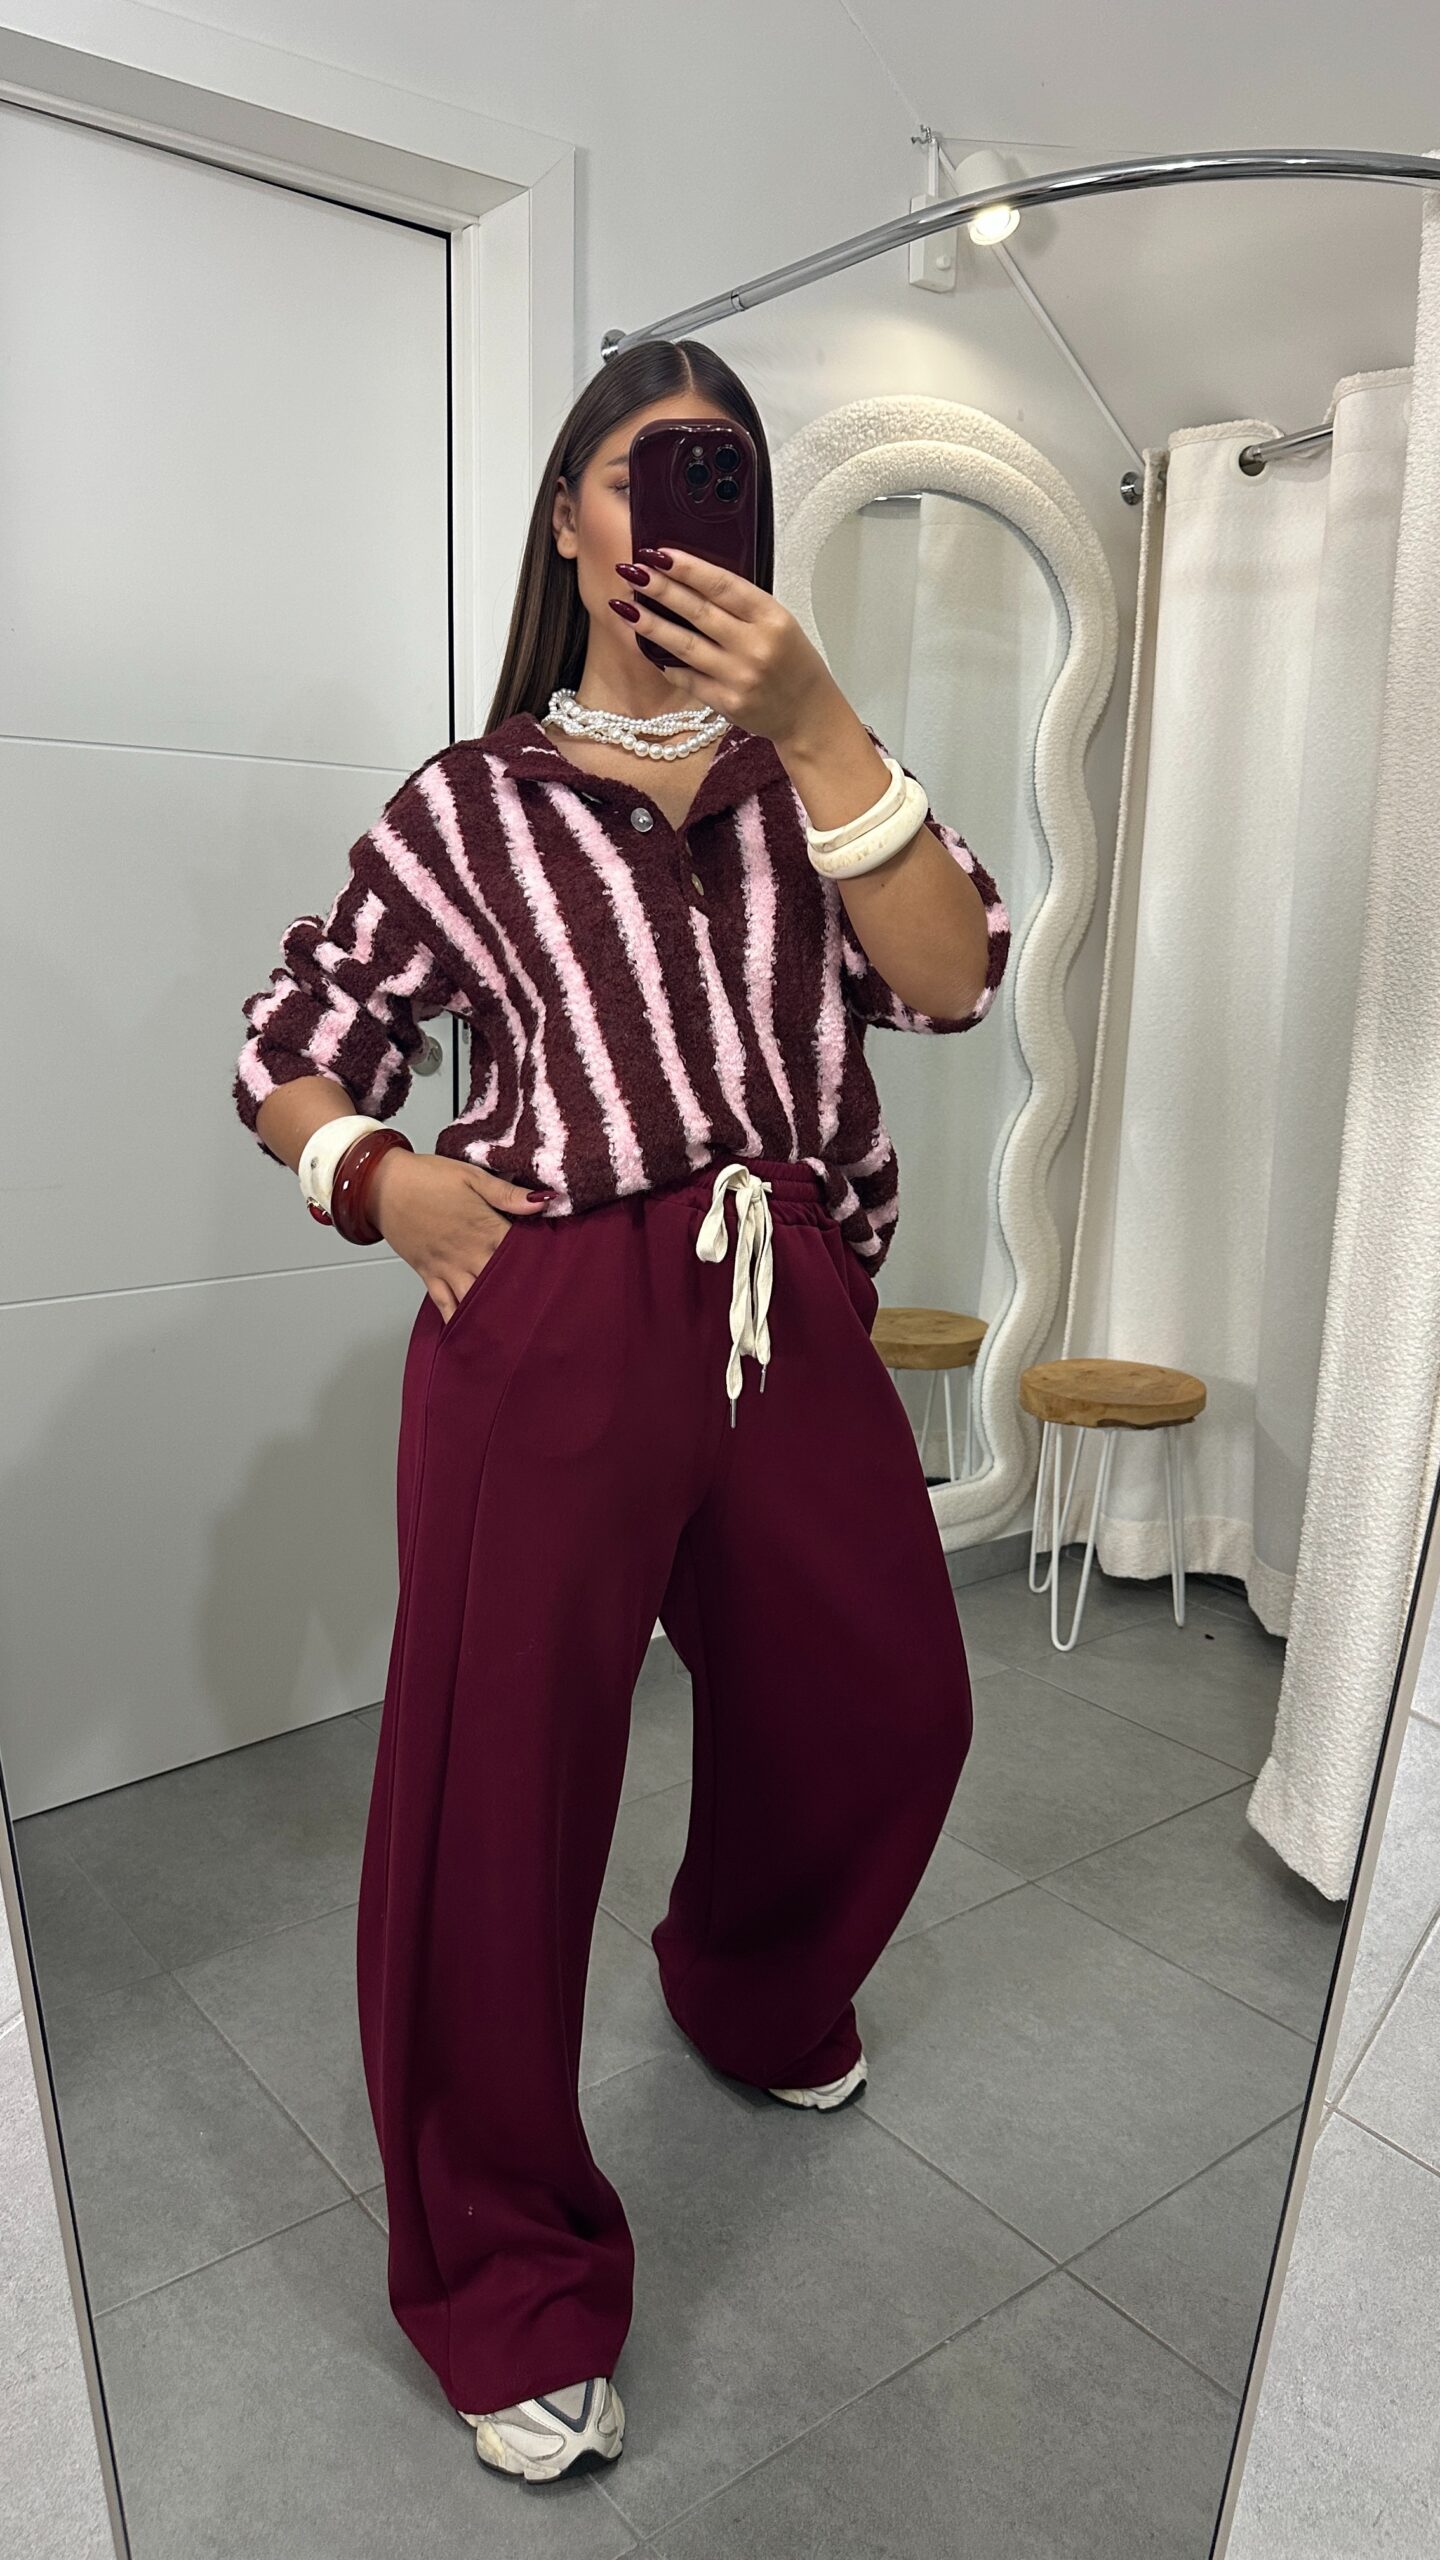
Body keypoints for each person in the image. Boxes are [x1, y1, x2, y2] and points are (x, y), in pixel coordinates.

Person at [232, 337, 1010, 2485]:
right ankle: (504, 2269)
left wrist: (820, 723)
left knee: (884, 1706)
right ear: (574, 518)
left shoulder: (817, 777)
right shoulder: (466, 803)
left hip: (786, 1294)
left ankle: (748, 1985)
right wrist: (378, 1176)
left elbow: (950, 977)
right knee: (499, 1799)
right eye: (653, 467)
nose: (688, 500)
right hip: (551, 1302)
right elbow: (295, 1033)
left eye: (728, 468)